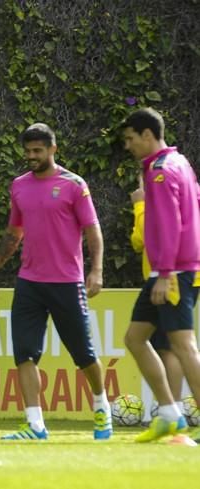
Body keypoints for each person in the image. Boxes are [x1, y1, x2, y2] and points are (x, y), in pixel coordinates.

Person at [0, 123, 112, 440]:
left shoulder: (74, 185)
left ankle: (101, 405)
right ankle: (35, 424)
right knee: (24, 353)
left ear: (53, 149)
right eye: (27, 151)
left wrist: (96, 271)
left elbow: (93, 231)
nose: (32, 156)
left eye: (37, 151)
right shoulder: (19, 186)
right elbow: (14, 233)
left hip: (67, 283)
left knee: (83, 354)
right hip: (29, 283)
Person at [121, 107, 200, 443]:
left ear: (147, 135)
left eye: (129, 139)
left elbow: (170, 224)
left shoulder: (160, 171)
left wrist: (166, 272)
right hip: (172, 269)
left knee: (184, 347)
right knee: (135, 339)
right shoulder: (179, 163)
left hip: (173, 271)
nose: (127, 146)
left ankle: (178, 415)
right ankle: (170, 415)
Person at [130, 176, 190, 422]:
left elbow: (143, 238)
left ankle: (173, 412)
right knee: (152, 343)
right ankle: (170, 412)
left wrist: (140, 205)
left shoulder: (159, 199)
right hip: (161, 277)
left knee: (174, 347)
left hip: (170, 277)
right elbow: (137, 242)